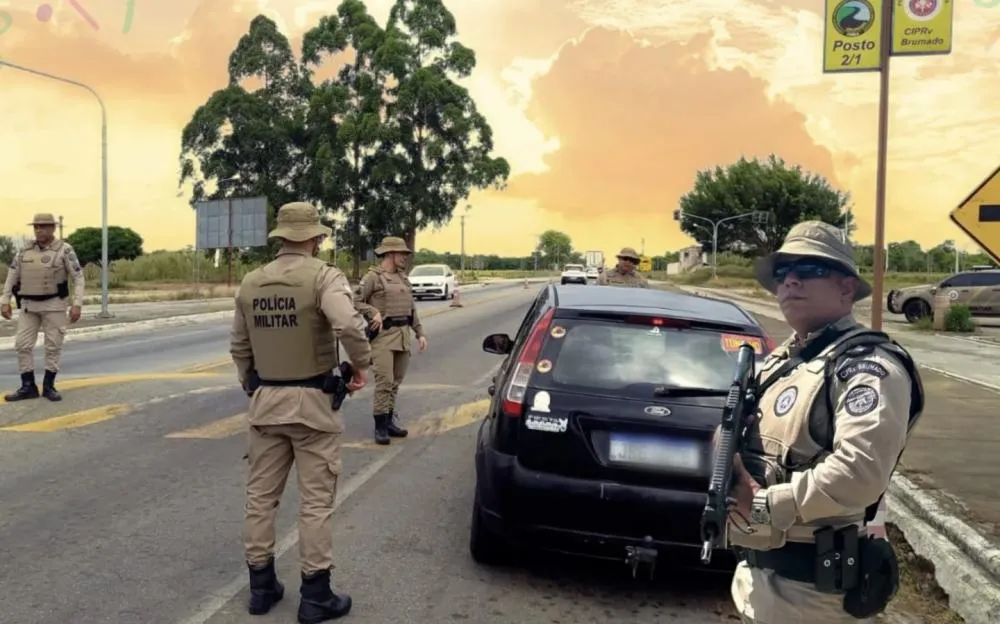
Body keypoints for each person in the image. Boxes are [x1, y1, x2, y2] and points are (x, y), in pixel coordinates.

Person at [725, 221, 924, 623]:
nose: (791, 280)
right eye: (783, 272)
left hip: (816, 599)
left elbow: (859, 473)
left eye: (810, 269)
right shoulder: (784, 361)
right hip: (757, 582)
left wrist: (763, 505)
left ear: (846, 288)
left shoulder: (866, 367)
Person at [230, 201, 372, 622]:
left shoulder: (251, 282)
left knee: (260, 499)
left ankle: (261, 589)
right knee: (315, 504)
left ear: (280, 237)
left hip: (265, 403)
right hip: (313, 406)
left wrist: (252, 383)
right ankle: (315, 596)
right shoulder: (324, 276)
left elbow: (239, 345)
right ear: (315, 238)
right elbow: (348, 324)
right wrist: (361, 365)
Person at [1, 213, 85, 402]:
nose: (39, 230)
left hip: (54, 304)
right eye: (36, 227)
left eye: (44, 226)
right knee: (22, 345)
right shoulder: (24, 251)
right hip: (28, 305)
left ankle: (49, 386)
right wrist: (5, 300)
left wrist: (77, 304)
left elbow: (78, 277)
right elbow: (12, 275)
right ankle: (28, 386)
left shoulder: (65, 250)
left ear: (53, 228)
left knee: (53, 345)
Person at [353, 236, 428, 445]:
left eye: (405, 254)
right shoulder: (373, 277)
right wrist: (372, 312)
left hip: (403, 336)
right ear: (390, 254)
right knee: (384, 382)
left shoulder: (403, 278)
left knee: (395, 383)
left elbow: (411, 309)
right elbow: (355, 301)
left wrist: (420, 333)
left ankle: (389, 421)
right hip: (383, 337)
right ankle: (380, 426)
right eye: (401, 253)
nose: (405, 257)